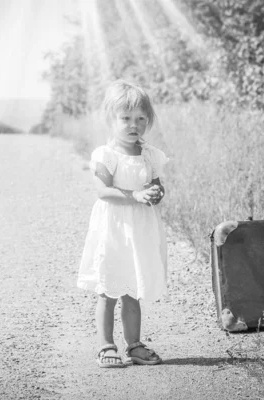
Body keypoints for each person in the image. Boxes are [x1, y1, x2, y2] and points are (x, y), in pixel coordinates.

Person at [77, 80, 169, 368]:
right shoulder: (107, 155)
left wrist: (155, 192)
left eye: (141, 118)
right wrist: (135, 194)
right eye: (126, 118)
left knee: (132, 288)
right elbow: (103, 191)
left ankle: (134, 344)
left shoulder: (149, 154)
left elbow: (155, 184)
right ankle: (106, 345)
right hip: (114, 228)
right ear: (110, 120)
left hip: (140, 229)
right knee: (108, 288)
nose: (134, 125)